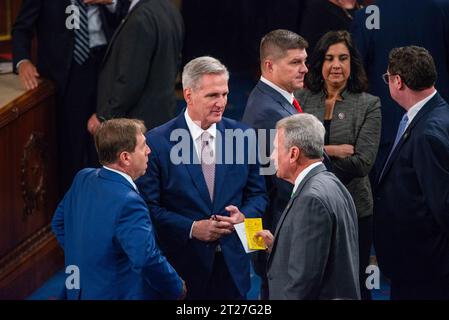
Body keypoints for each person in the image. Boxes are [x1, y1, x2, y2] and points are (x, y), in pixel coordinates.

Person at [136, 56, 268, 300]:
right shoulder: (157, 142)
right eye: (212, 96)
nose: (221, 103)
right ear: (188, 95)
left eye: (225, 94)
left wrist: (243, 218)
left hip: (233, 267)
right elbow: (149, 208)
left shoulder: (244, 135)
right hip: (183, 270)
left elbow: (258, 195)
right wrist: (192, 228)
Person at [51, 118, 186, 300]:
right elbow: (145, 259)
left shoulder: (83, 178)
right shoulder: (129, 202)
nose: (149, 151)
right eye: (143, 146)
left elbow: (59, 223)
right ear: (125, 157)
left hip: (78, 291)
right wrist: (176, 287)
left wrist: (88, 257)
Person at [296, 30, 380, 300]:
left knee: (354, 285)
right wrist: (332, 150)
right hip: (310, 208)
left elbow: (362, 163)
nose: (336, 65)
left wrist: (314, 157)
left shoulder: (369, 104)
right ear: (319, 63)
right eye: (329, 58)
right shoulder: (302, 99)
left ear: (352, 63)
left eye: (343, 58)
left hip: (356, 210)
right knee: (313, 283)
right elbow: (291, 152)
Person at [12, 0, 129, 195]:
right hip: (65, 74)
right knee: (71, 150)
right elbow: (21, 28)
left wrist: (111, 2)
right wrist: (22, 61)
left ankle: (107, 204)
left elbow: (128, 10)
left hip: (105, 64)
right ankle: (74, 210)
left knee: (108, 143)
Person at [256, 113, 360, 300]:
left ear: (293, 154)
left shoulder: (311, 200)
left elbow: (303, 283)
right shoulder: (331, 183)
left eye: (275, 149)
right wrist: (277, 245)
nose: (271, 157)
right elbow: (317, 254)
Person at [374, 46, 449, 300]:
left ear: (398, 81)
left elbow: (443, 207)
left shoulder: (427, 133)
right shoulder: (437, 114)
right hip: (416, 265)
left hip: (424, 270)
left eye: (388, 77)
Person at [241, 29, 309, 299]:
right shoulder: (268, 112)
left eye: (304, 61)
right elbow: (280, 182)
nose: (304, 68)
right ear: (269, 65)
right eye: (295, 62)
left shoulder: (276, 101)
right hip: (279, 231)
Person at [351, 0, 449, 185]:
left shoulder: (371, 14)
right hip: (438, 124)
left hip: (384, 128)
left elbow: (356, 73)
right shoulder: (442, 8)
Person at [88, 0, 184, 133]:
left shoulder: (140, 19)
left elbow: (130, 81)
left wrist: (104, 118)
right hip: (163, 116)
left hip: (139, 125)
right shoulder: (170, 9)